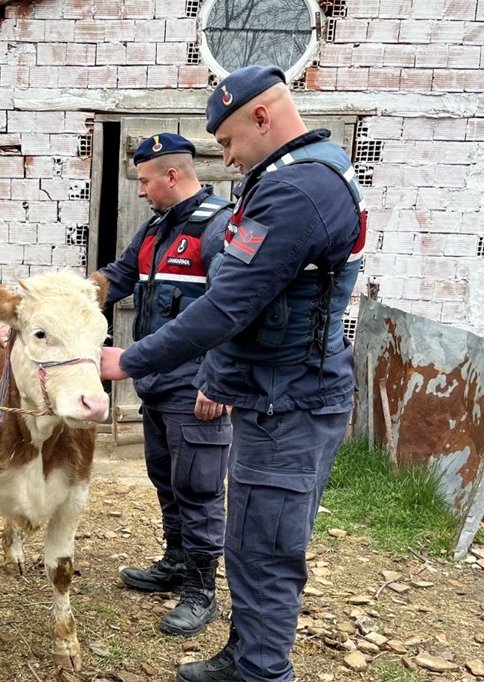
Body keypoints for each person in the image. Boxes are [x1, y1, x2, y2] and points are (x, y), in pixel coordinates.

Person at [100, 66, 367, 682]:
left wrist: (127, 360)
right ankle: (245, 655)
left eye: (227, 141)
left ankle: (260, 671)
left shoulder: (297, 191)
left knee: (264, 550)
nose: (226, 156)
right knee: (251, 541)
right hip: (272, 394)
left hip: (290, 402)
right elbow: (248, 302)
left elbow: (227, 304)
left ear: (263, 117)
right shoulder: (293, 179)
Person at [97, 132, 232, 637]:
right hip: (156, 384)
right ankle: (176, 562)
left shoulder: (218, 228)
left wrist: (220, 382)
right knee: (166, 478)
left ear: (171, 176)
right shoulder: (156, 229)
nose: (139, 191)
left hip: (197, 387)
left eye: (145, 181)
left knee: (198, 488)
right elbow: (121, 275)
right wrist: (64, 298)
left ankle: (202, 589)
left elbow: (234, 310)